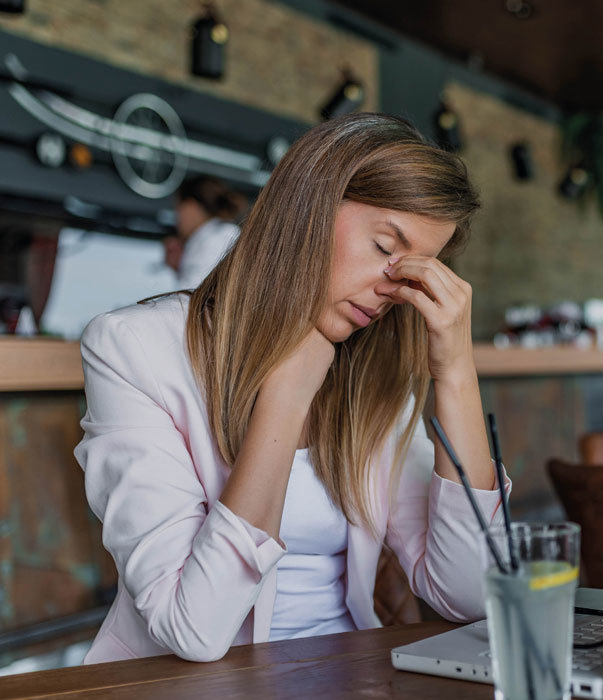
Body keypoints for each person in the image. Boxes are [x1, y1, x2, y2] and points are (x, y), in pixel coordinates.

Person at [75, 113, 507, 664]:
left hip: (350, 676)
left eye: (417, 269)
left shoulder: (370, 381)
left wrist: (456, 372)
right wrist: (284, 398)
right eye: (382, 247)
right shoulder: (134, 348)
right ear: (308, 208)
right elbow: (193, 630)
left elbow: (468, 594)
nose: (393, 288)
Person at [164, 176, 244, 288]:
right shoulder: (221, 234)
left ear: (190, 206)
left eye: (178, 209)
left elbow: (191, 295)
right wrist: (179, 268)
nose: (177, 219)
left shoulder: (216, 239)